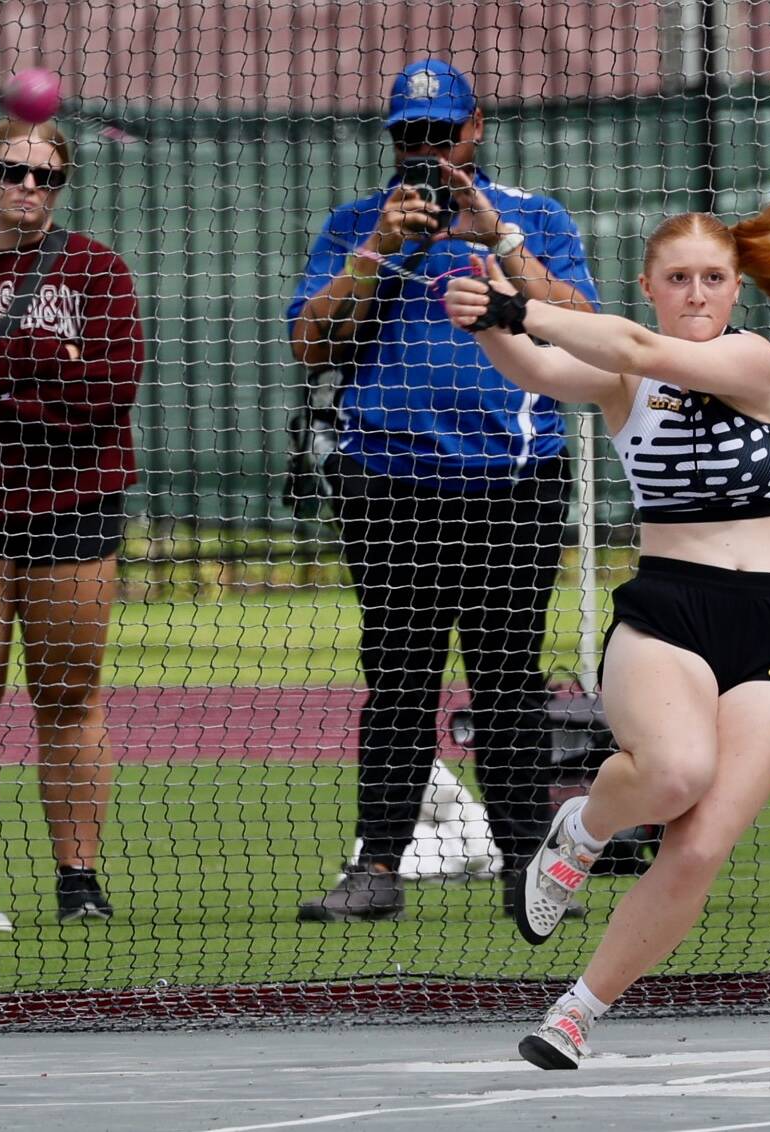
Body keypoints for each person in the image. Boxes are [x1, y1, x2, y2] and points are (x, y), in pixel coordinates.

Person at [444, 178, 770, 1066]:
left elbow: (622, 339)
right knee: (675, 772)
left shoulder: (753, 363)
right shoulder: (625, 378)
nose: (697, 296)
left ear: (736, 289)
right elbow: (538, 366)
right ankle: (584, 833)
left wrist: (520, 299)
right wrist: (486, 312)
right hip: (669, 612)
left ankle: (578, 1011)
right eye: (677, 279)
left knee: (702, 841)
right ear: (651, 286)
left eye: (713, 279)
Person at [288, 59, 600, 922]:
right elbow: (310, 346)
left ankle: (526, 867)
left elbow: (586, 325)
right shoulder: (358, 224)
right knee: (398, 680)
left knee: (506, 681)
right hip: (388, 484)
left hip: (511, 483)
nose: (425, 152)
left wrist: (495, 239)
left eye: (440, 134)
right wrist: (382, 248)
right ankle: (377, 868)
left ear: (476, 129)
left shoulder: (533, 217)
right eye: (408, 137)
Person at [0, 117, 145, 932]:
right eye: (12, 172)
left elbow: (106, 395)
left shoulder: (96, 270)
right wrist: (42, 372)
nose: (29, 188)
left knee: (69, 696)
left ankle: (79, 879)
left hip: (72, 507)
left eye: (45, 176)